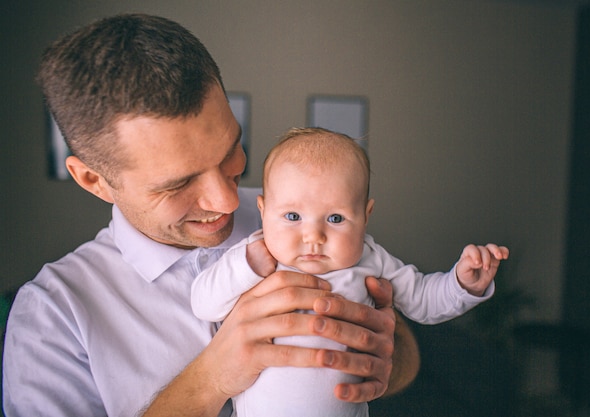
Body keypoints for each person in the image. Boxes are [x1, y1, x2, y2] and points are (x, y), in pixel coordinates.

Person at [2, 14, 414, 417]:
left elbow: (405, 355)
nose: (227, 201)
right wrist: (211, 380)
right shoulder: (53, 317)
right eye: (179, 184)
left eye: (232, 151)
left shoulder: (301, 216)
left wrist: (383, 359)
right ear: (94, 180)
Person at [191, 127, 509, 417]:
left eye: (335, 219)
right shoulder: (255, 256)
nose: (313, 236)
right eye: (292, 215)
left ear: (365, 215)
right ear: (263, 210)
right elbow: (203, 303)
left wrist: (463, 283)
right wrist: (245, 266)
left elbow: (424, 301)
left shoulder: (370, 260)